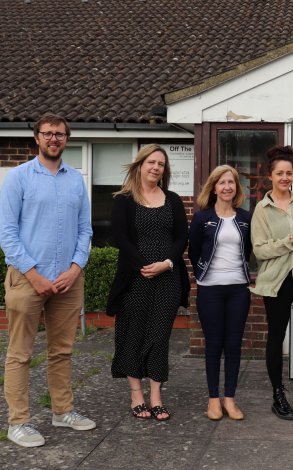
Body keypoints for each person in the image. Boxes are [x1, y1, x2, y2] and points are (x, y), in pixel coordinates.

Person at [0, 113, 95, 448]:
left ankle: (62, 411)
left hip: (68, 280)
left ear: (67, 139)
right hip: (28, 279)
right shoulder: (19, 178)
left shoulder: (76, 180)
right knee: (20, 353)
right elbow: (7, 235)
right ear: (36, 137)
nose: (55, 139)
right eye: (48, 134)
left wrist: (75, 268)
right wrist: (34, 275)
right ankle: (19, 422)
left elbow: (86, 230)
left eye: (61, 134)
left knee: (62, 350)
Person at [105, 144, 190, 422]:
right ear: (140, 165)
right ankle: (136, 395)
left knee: (159, 337)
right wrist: (143, 265)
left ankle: (155, 396)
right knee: (134, 333)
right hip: (135, 278)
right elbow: (120, 238)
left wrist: (166, 263)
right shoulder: (124, 200)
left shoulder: (173, 200)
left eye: (161, 164)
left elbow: (181, 238)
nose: (156, 167)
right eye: (151, 162)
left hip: (168, 278)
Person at [188, 166, 252, 421]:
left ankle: (230, 399)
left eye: (232, 182)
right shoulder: (202, 217)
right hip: (209, 290)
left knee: (234, 345)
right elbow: (193, 251)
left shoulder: (246, 217)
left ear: (237, 187)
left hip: (238, 289)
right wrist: (204, 274)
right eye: (222, 182)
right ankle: (213, 399)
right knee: (214, 345)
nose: (227, 187)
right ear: (213, 187)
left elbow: (247, 251)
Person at [251, 145, 293, 420]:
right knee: (276, 337)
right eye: (280, 173)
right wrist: (290, 240)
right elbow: (260, 250)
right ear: (270, 176)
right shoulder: (262, 209)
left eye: (289, 173)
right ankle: (278, 395)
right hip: (277, 282)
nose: (285, 177)